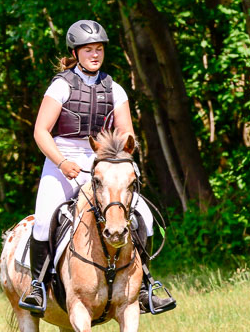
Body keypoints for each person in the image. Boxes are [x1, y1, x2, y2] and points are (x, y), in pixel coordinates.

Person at [19, 19, 176, 316]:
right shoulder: (61, 86)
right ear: (76, 52)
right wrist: (62, 163)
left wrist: (125, 150)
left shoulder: (114, 88)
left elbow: (126, 129)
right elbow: (41, 131)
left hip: (104, 160)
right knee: (43, 218)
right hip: (61, 156)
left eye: (99, 49)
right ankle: (38, 286)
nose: (95, 54)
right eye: (88, 49)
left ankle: (145, 287)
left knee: (143, 214)